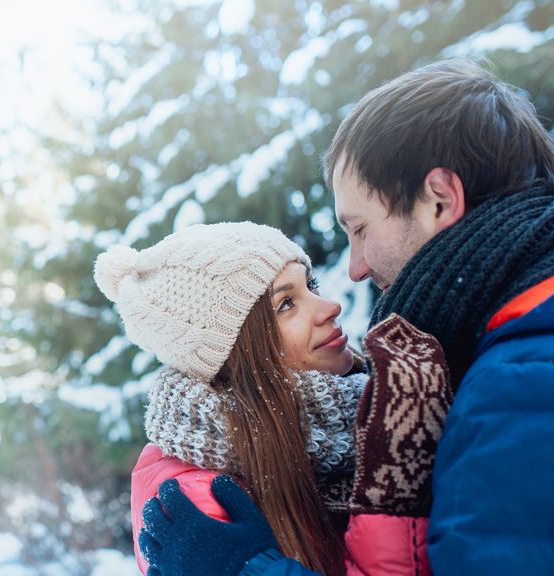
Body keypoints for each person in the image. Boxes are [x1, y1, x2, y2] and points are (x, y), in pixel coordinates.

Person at [139, 59, 554, 575]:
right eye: (285, 303)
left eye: (359, 228)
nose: (353, 273)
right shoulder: (473, 366)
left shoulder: (521, 383)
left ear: (442, 201)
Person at [94, 222, 440, 576]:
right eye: (285, 304)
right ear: (235, 355)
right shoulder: (194, 497)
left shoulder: (381, 410)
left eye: (312, 286)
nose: (330, 307)